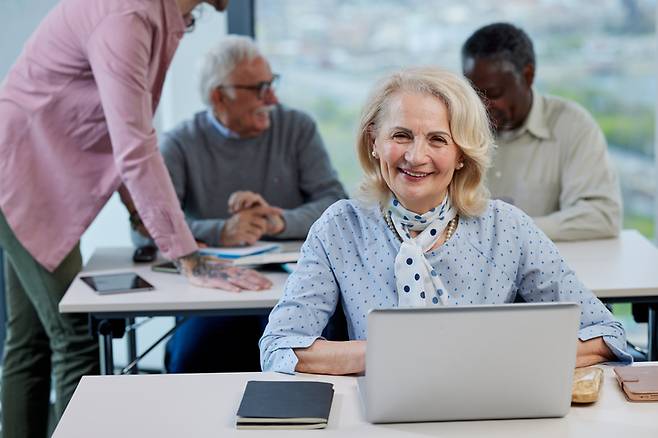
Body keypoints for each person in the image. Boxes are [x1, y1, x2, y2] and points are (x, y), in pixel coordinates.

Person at [0, 1, 272, 437]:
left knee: (29, 340)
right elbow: (134, 146)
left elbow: (121, 129)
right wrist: (187, 254)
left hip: (36, 172)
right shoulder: (127, 18)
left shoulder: (156, 16)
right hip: (23, 173)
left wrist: (143, 216)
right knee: (74, 336)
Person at [259, 67, 632, 376]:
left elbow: (606, 334)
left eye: (438, 139)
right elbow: (280, 346)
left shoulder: (507, 227)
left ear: (461, 156)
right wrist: (396, 353)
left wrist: (503, 355)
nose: (415, 156)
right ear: (374, 141)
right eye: (401, 135)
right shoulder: (339, 226)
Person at [130, 36, 347, 373]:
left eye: (272, 84)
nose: (272, 98)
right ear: (220, 96)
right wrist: (223, 231)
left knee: (307, 356)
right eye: (260, 89)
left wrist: (275, 222)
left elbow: (335, 204)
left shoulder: (297, 128)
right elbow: (146, 230)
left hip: (294, 292)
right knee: (194, 357)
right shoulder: (180, 143)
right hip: (214, 299)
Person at [461, 23, 621, 241]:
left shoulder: (572, 126)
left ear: (527, 76)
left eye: (495, 93)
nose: (482, 106)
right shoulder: (457, 126)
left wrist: (511, 230)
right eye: (474, 94)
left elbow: (602, 216)